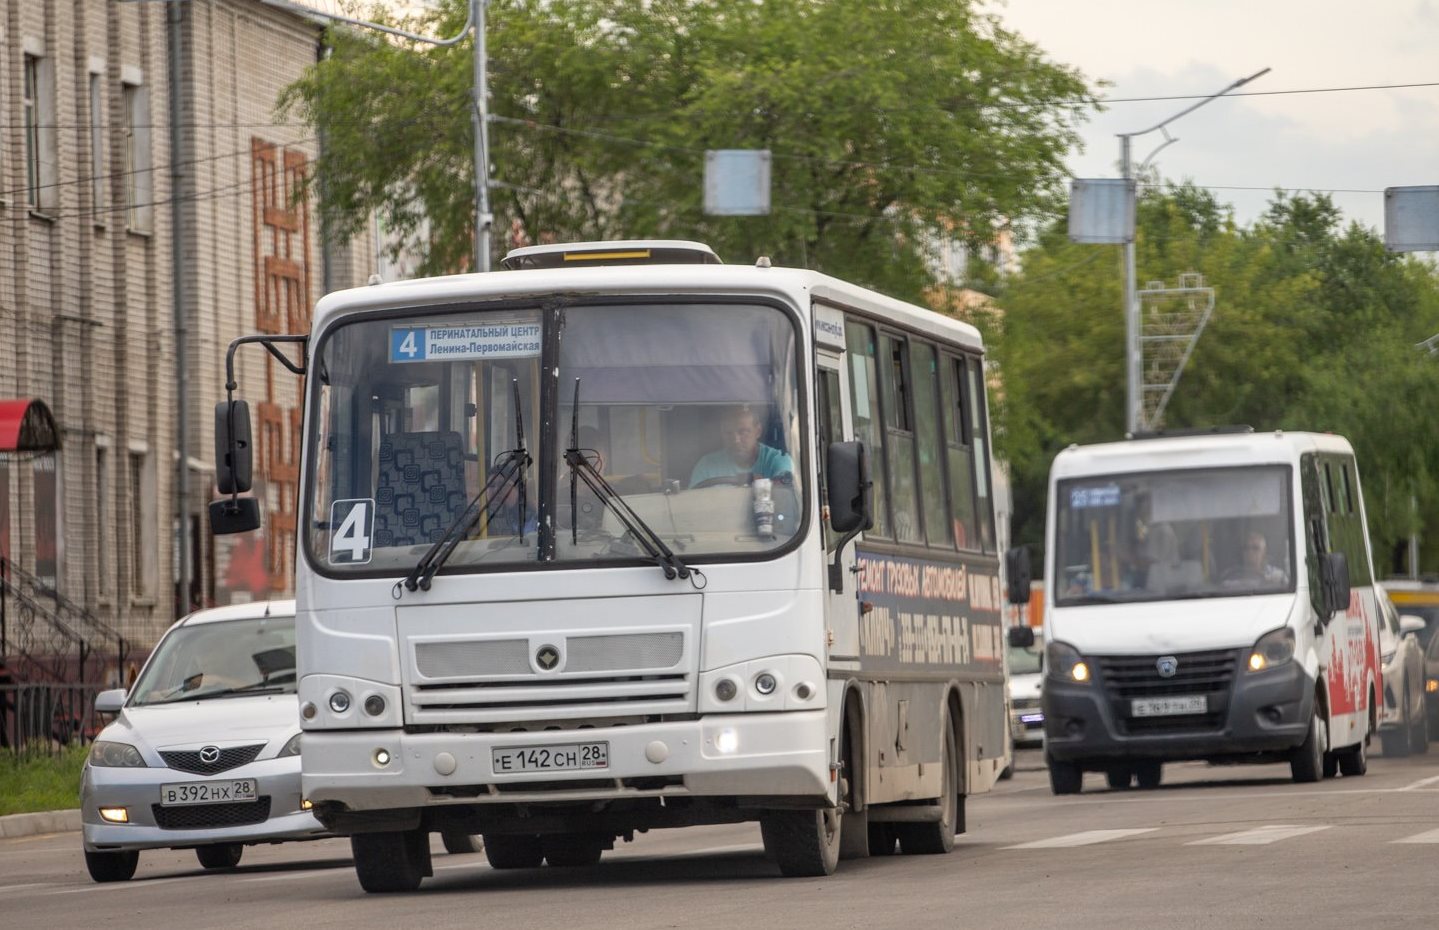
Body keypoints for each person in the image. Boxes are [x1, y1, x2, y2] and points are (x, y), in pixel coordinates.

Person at [688, 404, 793, 487]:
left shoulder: (777, 460)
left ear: (758, 431)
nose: (736, 440)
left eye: (743, 432)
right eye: (728, 433)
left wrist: (760, 482)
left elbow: (785, 492)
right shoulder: (706, 466)